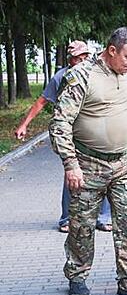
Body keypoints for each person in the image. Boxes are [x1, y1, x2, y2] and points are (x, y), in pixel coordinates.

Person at [49, 27, 127, 295]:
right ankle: (77, 275)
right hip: (88, 165)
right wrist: (70, 164)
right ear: (112, 51)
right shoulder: (82, 75)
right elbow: (60, 123)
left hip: (124, 163)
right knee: (81, 227)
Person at [14, 41, 112, 233]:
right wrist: (24, 124)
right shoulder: (61, 77)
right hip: (71, 135)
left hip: (96, 132)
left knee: (105, 172)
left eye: (85, 55)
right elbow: (42, 101)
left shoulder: (96, 73)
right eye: (78, 57)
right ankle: (67, 218)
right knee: (72, 174)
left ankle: (103, 216)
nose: (82, 59)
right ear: (71, 59)